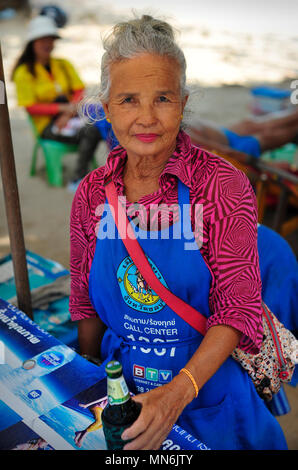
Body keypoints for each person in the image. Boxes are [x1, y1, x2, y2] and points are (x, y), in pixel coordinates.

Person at [69, 15, 288, 450]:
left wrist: (176, 395)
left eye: (163, 98)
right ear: (106, 107)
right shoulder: (92, 193)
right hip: (123, 389)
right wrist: (89, 372)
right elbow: (83, 298)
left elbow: (237, 308)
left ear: (183, 104)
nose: (146, 118)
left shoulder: (222, 185)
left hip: (211, 395)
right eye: (129, 100)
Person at [12, 15, 104, 186]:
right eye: (43, 40)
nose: (48, 43)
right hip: (45, 125)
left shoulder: (63, 64)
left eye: (51, 39)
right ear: (32, 43)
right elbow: (30, 107)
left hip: (71, 116)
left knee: (104, 122)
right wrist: (62, 108)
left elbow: (79, 90)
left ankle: (88, 176)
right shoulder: (23, 73)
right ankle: (80, 178)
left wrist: (67, 113)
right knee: (93, 131)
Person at [188, 108, 298, 160]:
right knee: (269, 133)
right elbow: (222, 151)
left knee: (253, 124)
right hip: (235, 149)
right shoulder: (179, 136)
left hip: (225, 134)